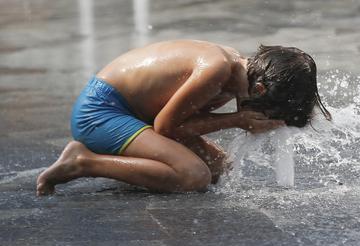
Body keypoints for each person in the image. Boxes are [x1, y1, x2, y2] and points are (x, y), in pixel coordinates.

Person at [36, 40, 331, 196]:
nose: (261, 121)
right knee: (194, 175)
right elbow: (165, 128)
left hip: (131, 116)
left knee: (218, 167)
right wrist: (237, 120)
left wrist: (241, 118)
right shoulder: (216, 69)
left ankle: (132, 165)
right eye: (267, 113)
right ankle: (83, 162)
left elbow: (174, 120)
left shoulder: (234, 72)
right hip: (100, 114)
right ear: (259, 88)